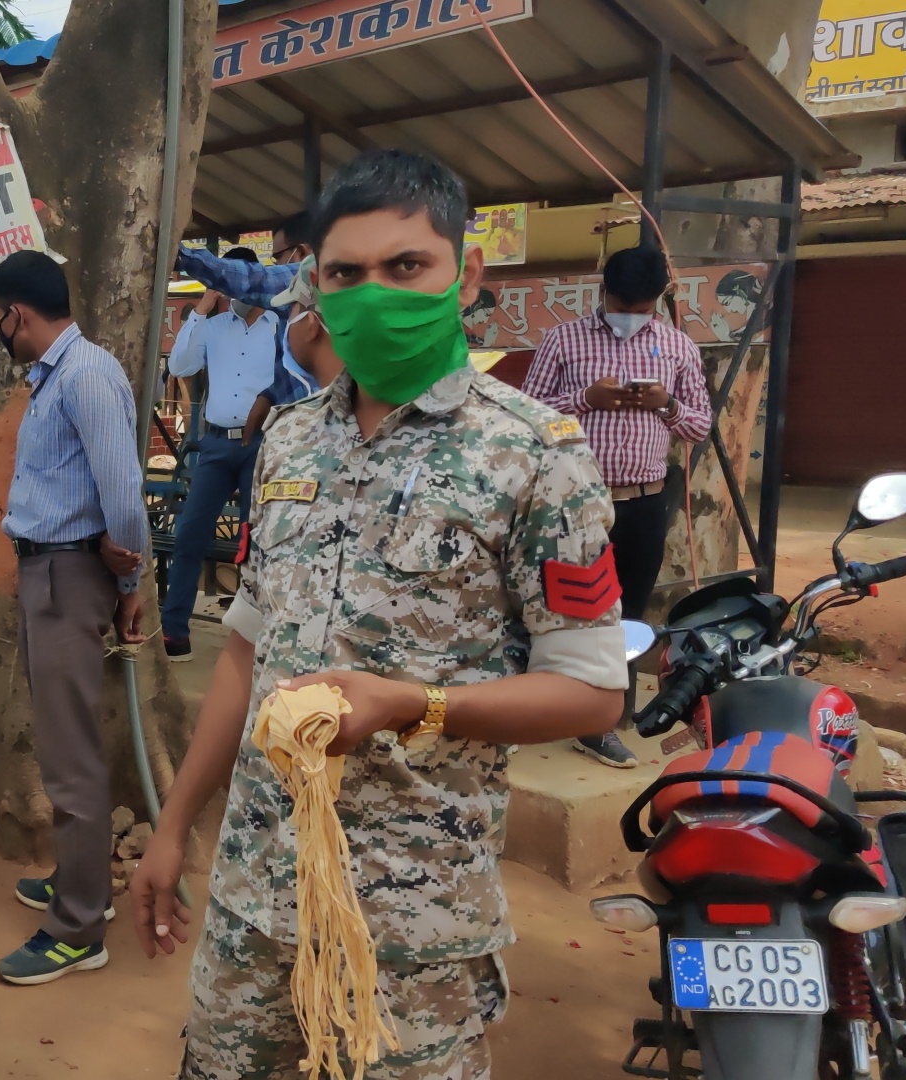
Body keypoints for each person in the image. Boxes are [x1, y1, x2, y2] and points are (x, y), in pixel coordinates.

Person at [130, 149, 629, 1080]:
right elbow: (245, 650)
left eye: (407, 267)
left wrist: (413, 704)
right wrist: (174, 827)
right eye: (345, 274)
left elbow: (594, 691)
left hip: (410, 926)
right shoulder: (289, 434)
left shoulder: (536, 455)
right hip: (254, 898)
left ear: (464, 275)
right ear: (314, 285)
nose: (373, 294)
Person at [0, 250, 149, 987]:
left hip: (70, 572)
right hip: (53, 571)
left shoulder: (83, 375)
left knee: (69, 754)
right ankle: (79, 884)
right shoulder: (63, 376)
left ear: (16, 312)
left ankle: (80, 928)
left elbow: (124, 494)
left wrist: (132, 579)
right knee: (68, 737)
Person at [521, 244, 713, 769]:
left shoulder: (677, 347)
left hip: (645, 504)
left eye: (642, 306)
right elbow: (526, 418)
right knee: (558, 609)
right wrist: (586, 399)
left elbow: (700, 425)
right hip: (574, 504)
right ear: (602, 292)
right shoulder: (564, 340)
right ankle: (539, 709)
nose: (630, 316)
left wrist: (667, 405)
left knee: (625, 617)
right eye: (622, 303)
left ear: (658, 300)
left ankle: (604, 721)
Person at [160, 248, 280, 662]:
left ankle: (257, 638)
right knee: (189, 534)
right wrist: (201, 308)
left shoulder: (278, 326)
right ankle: (174, 632)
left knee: (257, 541)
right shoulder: (212, 327)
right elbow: (180, 363)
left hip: (260, 446)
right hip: (214, 444)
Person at [175, 211, 325, 414]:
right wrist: (267, 397)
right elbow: (180, 367)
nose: (277, 267)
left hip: (314, 429)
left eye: (278, 257)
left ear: (301, 252)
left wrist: (182, 257)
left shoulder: (309, 284)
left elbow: (257, 280)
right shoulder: (217, 325)